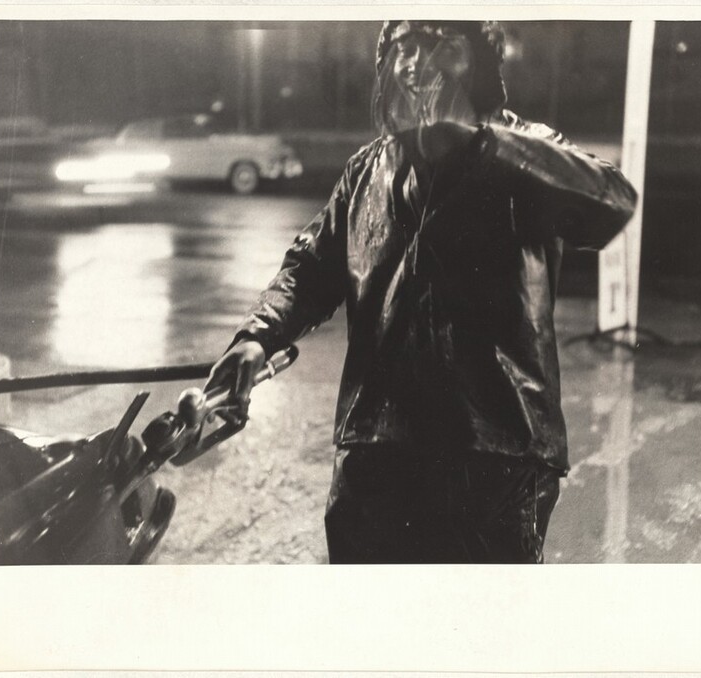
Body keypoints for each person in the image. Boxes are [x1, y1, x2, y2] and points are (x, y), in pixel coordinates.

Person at [206, 20, 637, 564]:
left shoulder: (524, 149)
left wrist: (485, 146)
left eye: (433, 45)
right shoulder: (368, 170)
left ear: (472, 58)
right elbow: (310, 267)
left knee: (480, 633)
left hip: (495, 451)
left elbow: (612, 201)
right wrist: (256, 338)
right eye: (401, 47)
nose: (413, 63)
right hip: (375, 450)